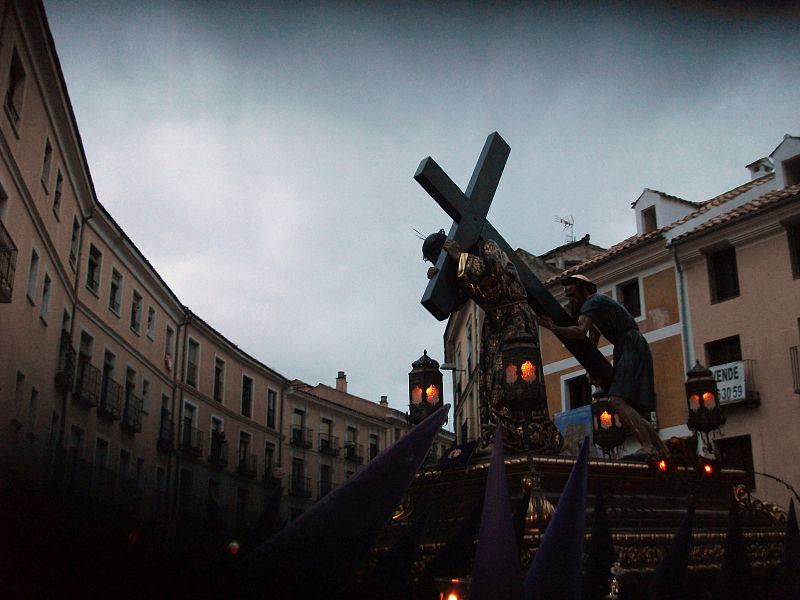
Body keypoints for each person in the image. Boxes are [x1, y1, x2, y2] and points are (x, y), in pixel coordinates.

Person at [423, 231, 553, 451]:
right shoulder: (457, 267)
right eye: (434, 261)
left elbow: (492, 273)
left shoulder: (487, 247)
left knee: (514, 376)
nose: (438, 263)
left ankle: (527, 432)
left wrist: (459, 258)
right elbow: (457, 301)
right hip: (493, 323)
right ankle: (500, 432)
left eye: (438, 258)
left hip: (514, 317)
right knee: (492, 381)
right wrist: (441, 279)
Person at [539, 274, 667, 457]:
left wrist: (554, 328)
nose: (572, 301)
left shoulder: (593, 302)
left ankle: (648, 446)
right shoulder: (596, 307)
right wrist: (592, 369)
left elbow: (580, 331)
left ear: (583, 290)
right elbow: (592, 340)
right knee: (627, 407)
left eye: (573, 295)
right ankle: (662, 450)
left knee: (617, 401)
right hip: (626, 347)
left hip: (630, 346)